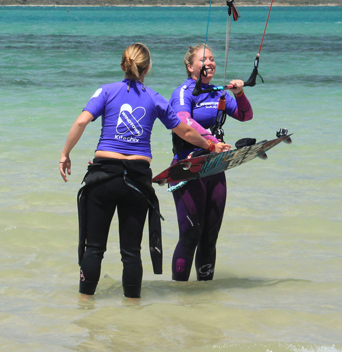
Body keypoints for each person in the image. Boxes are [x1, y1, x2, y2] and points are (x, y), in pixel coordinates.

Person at [59, 43, 230, 299]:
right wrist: (210, 145)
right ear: (147, 68)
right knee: (131, 252)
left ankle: (85, 306)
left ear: (122, 65)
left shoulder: (105, 91)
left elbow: (82, 121)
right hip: (137, 180)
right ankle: (132, 310)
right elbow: (183, 130)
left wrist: (65, 155)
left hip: (103, 176)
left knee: (94, 248)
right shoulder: (154, 97)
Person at [169, 44, 254, 282]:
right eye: (203, 59)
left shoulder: (220, 92)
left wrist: (239, 93)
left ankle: (204, 299)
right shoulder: (184, 92)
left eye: (212, 59)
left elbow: (246, 116)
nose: (210, 62)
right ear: (190, 66)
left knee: (210, 235)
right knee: (190, 234)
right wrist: (211, 142)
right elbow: (183, 121)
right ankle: (180, 295)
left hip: (216, 166)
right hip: (189, 166)